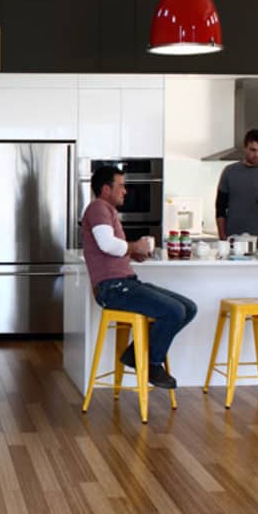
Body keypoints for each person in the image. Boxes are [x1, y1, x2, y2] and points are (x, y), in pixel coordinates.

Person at [82, 166, 197, 389]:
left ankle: (135, 355)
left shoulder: (106, 210)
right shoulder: (97, 208)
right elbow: (106, 244)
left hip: (126, 283)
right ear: (106, 189)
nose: (125, 191)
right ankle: (152, 363)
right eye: (121, 186)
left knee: (188, 307)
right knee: (174, 311)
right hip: (113, 288)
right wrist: (134, 245)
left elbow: (111, 248)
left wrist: (133, 253)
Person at [216, 128, 258, 250]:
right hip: (233, 238)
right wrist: (222, 235)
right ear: (245, 148)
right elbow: (220, 207)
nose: (257, 154)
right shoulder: (229, 171)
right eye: (252, 150)